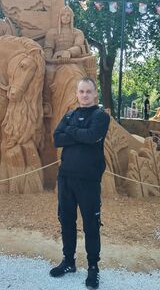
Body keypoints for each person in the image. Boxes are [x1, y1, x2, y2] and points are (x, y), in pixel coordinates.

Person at [50, 77, 110, 290]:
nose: (84, 95)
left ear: (95, 94)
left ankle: (93, 267)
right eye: (81, 91)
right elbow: (57, 138)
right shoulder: (70, 115)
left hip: (88, 181)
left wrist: (71, 131)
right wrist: (80, 134)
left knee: (91, 225)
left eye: (88, 91)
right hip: (66, 178)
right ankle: (68, 261)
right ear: (77, 94)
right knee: (66, 221)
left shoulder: (101, 116)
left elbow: (92, 136)